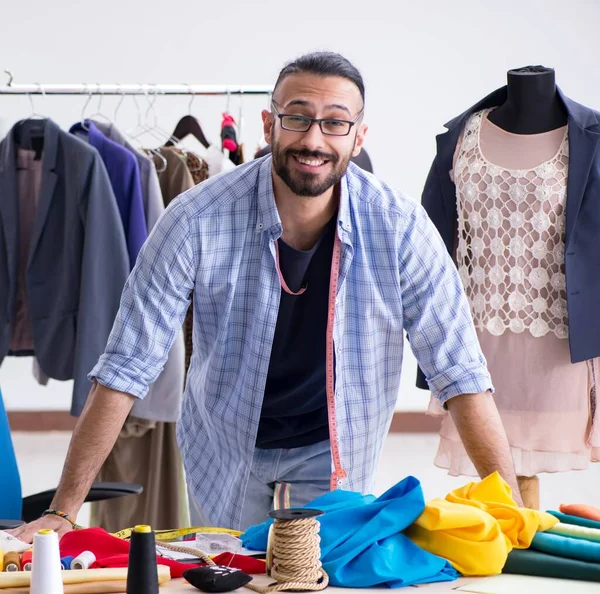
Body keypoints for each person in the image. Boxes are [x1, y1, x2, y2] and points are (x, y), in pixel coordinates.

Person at [12, 51, 522, 543]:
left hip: (336, 441)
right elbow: (125, 366)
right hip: (224, 438)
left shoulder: (401, 228)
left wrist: (513, 516)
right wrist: (64, 509)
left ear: (359, 135)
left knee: (313, 575)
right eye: (297, 118)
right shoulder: (195, 218)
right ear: (268, 124)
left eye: (335, 122)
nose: (314, 139)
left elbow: (459, 373)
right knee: (229, 570)